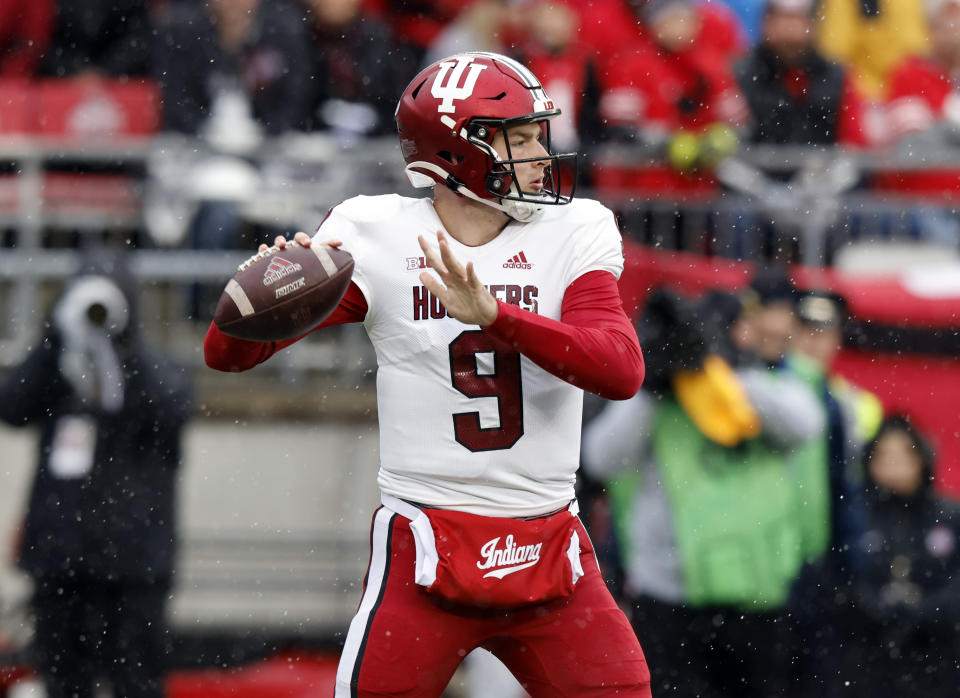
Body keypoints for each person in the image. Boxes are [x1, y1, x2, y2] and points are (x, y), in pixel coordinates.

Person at [205, 51, 651, 697]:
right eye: (518, 137)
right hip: (425, 543)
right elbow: (229, 356)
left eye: (536, 134)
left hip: (549, 538)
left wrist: (496, 315)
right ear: (457, 152)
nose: (539, 152)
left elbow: (618, 367)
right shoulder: (378, 233)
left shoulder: (574, 230)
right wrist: (260, 296)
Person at [582, 289, 825, 698]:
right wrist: (655, 384)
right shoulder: (658, 400)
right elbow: (601, 458)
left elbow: (805, 423)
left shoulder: (755, 384)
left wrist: (719, 373)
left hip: (756, 597)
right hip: (672, 597)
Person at [0, 253, 193, 698]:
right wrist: (56, 337)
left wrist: (124, 348)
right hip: (61, 559)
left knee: (137, 682)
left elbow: (171, 408)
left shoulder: (157, 371)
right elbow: (11, 406)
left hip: (134, 564)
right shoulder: (59, 370)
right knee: (63, 679)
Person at [842, 415, 960, 697]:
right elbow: (841, 578)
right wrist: (876, 606)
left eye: (903, 454)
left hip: (937, 655)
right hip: (867, 657)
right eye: (883, 455)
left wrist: (923, 610)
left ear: (922, 459)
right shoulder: (853, 518)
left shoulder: (948, 515)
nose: (893, 465)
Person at [735, 0, 872, 147]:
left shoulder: (836, 77)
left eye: (797, 20)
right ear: (766, 24)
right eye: (782, 19)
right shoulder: (741, 75)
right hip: (755, 167)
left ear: (812, 25)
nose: (790, 31)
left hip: (822, 166)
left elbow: (854, 139)